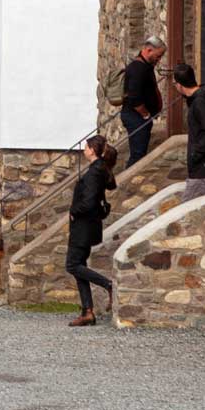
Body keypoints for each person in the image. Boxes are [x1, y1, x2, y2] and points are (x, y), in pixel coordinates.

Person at [66, 135, 119, 327]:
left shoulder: (94, 173)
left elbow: (88, 202)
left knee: (72, 265)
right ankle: (87, 311)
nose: (84, 150)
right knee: (79, 265)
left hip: (83, 225)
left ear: (93, 150)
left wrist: (74, 210)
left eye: (86, 147)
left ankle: (108, 285)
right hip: (88, 225)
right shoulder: (100, 170)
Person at [175, 64, 205, 200]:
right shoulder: (199, 99)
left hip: (203, 168)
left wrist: (195, 152)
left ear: (179, 85)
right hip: (204, 166)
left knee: (187, 211)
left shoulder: (201, 102)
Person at [120, 38, 165, 166]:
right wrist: (146, 115)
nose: (159, 59)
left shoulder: (145, 66)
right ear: (149, 50)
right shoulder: (137, 68)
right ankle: (127, 183)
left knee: (139, 153)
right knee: (138, 156)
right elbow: (134, 97)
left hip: (139, 117)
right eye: (158, 56)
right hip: (136, 117)